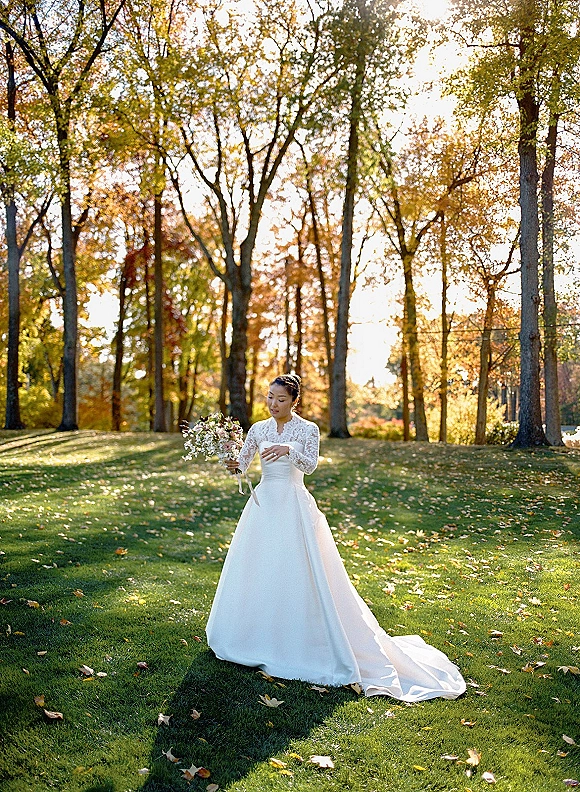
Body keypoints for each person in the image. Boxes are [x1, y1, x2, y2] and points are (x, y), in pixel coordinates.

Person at [206, 374, 466, 701]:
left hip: (294, 508)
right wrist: (227, 455)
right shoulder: (258, 429)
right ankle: (253, 637)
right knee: (261, 570)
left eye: (280, 399)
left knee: (300, 573)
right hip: (264, 508)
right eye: (270, 397)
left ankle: (303, 642)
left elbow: (311, 465)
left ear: (294, 401)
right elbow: (241, 467)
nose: (273, 404)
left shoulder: (308, 430)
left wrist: (288, 449)